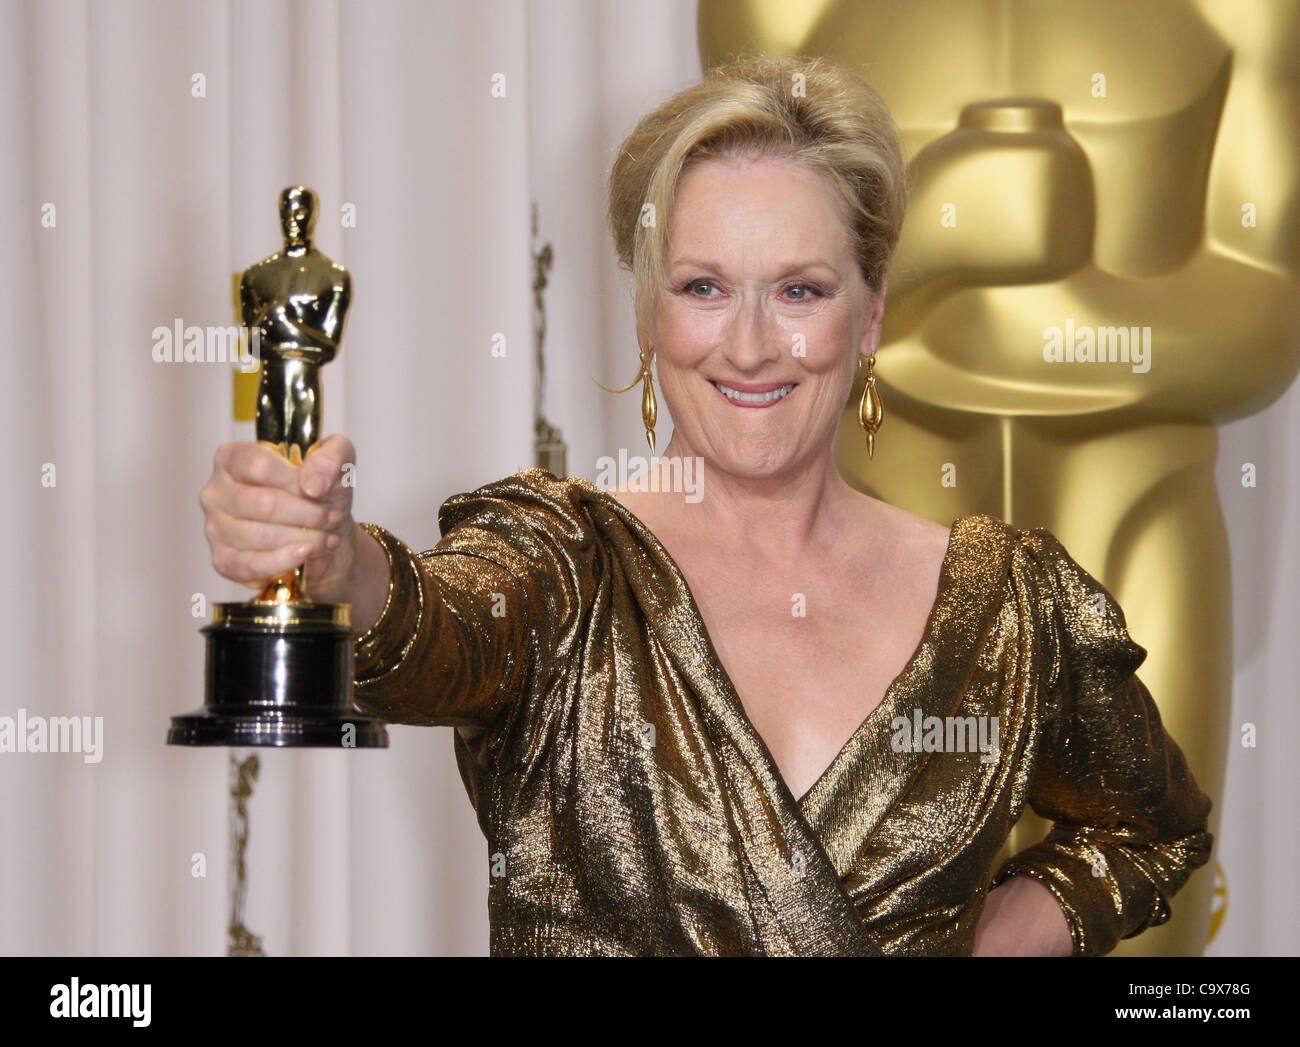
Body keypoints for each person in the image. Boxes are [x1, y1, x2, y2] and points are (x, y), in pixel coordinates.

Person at [197, 54, 1212, 956]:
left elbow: (1151, 828)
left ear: (871, 313)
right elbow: (434, 628)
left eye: (801, 291)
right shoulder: (562, 565)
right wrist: (334, 563)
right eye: (702, 288)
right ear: (648, 313)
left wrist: (1010, 934)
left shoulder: (1006, 608)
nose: (751, 345)